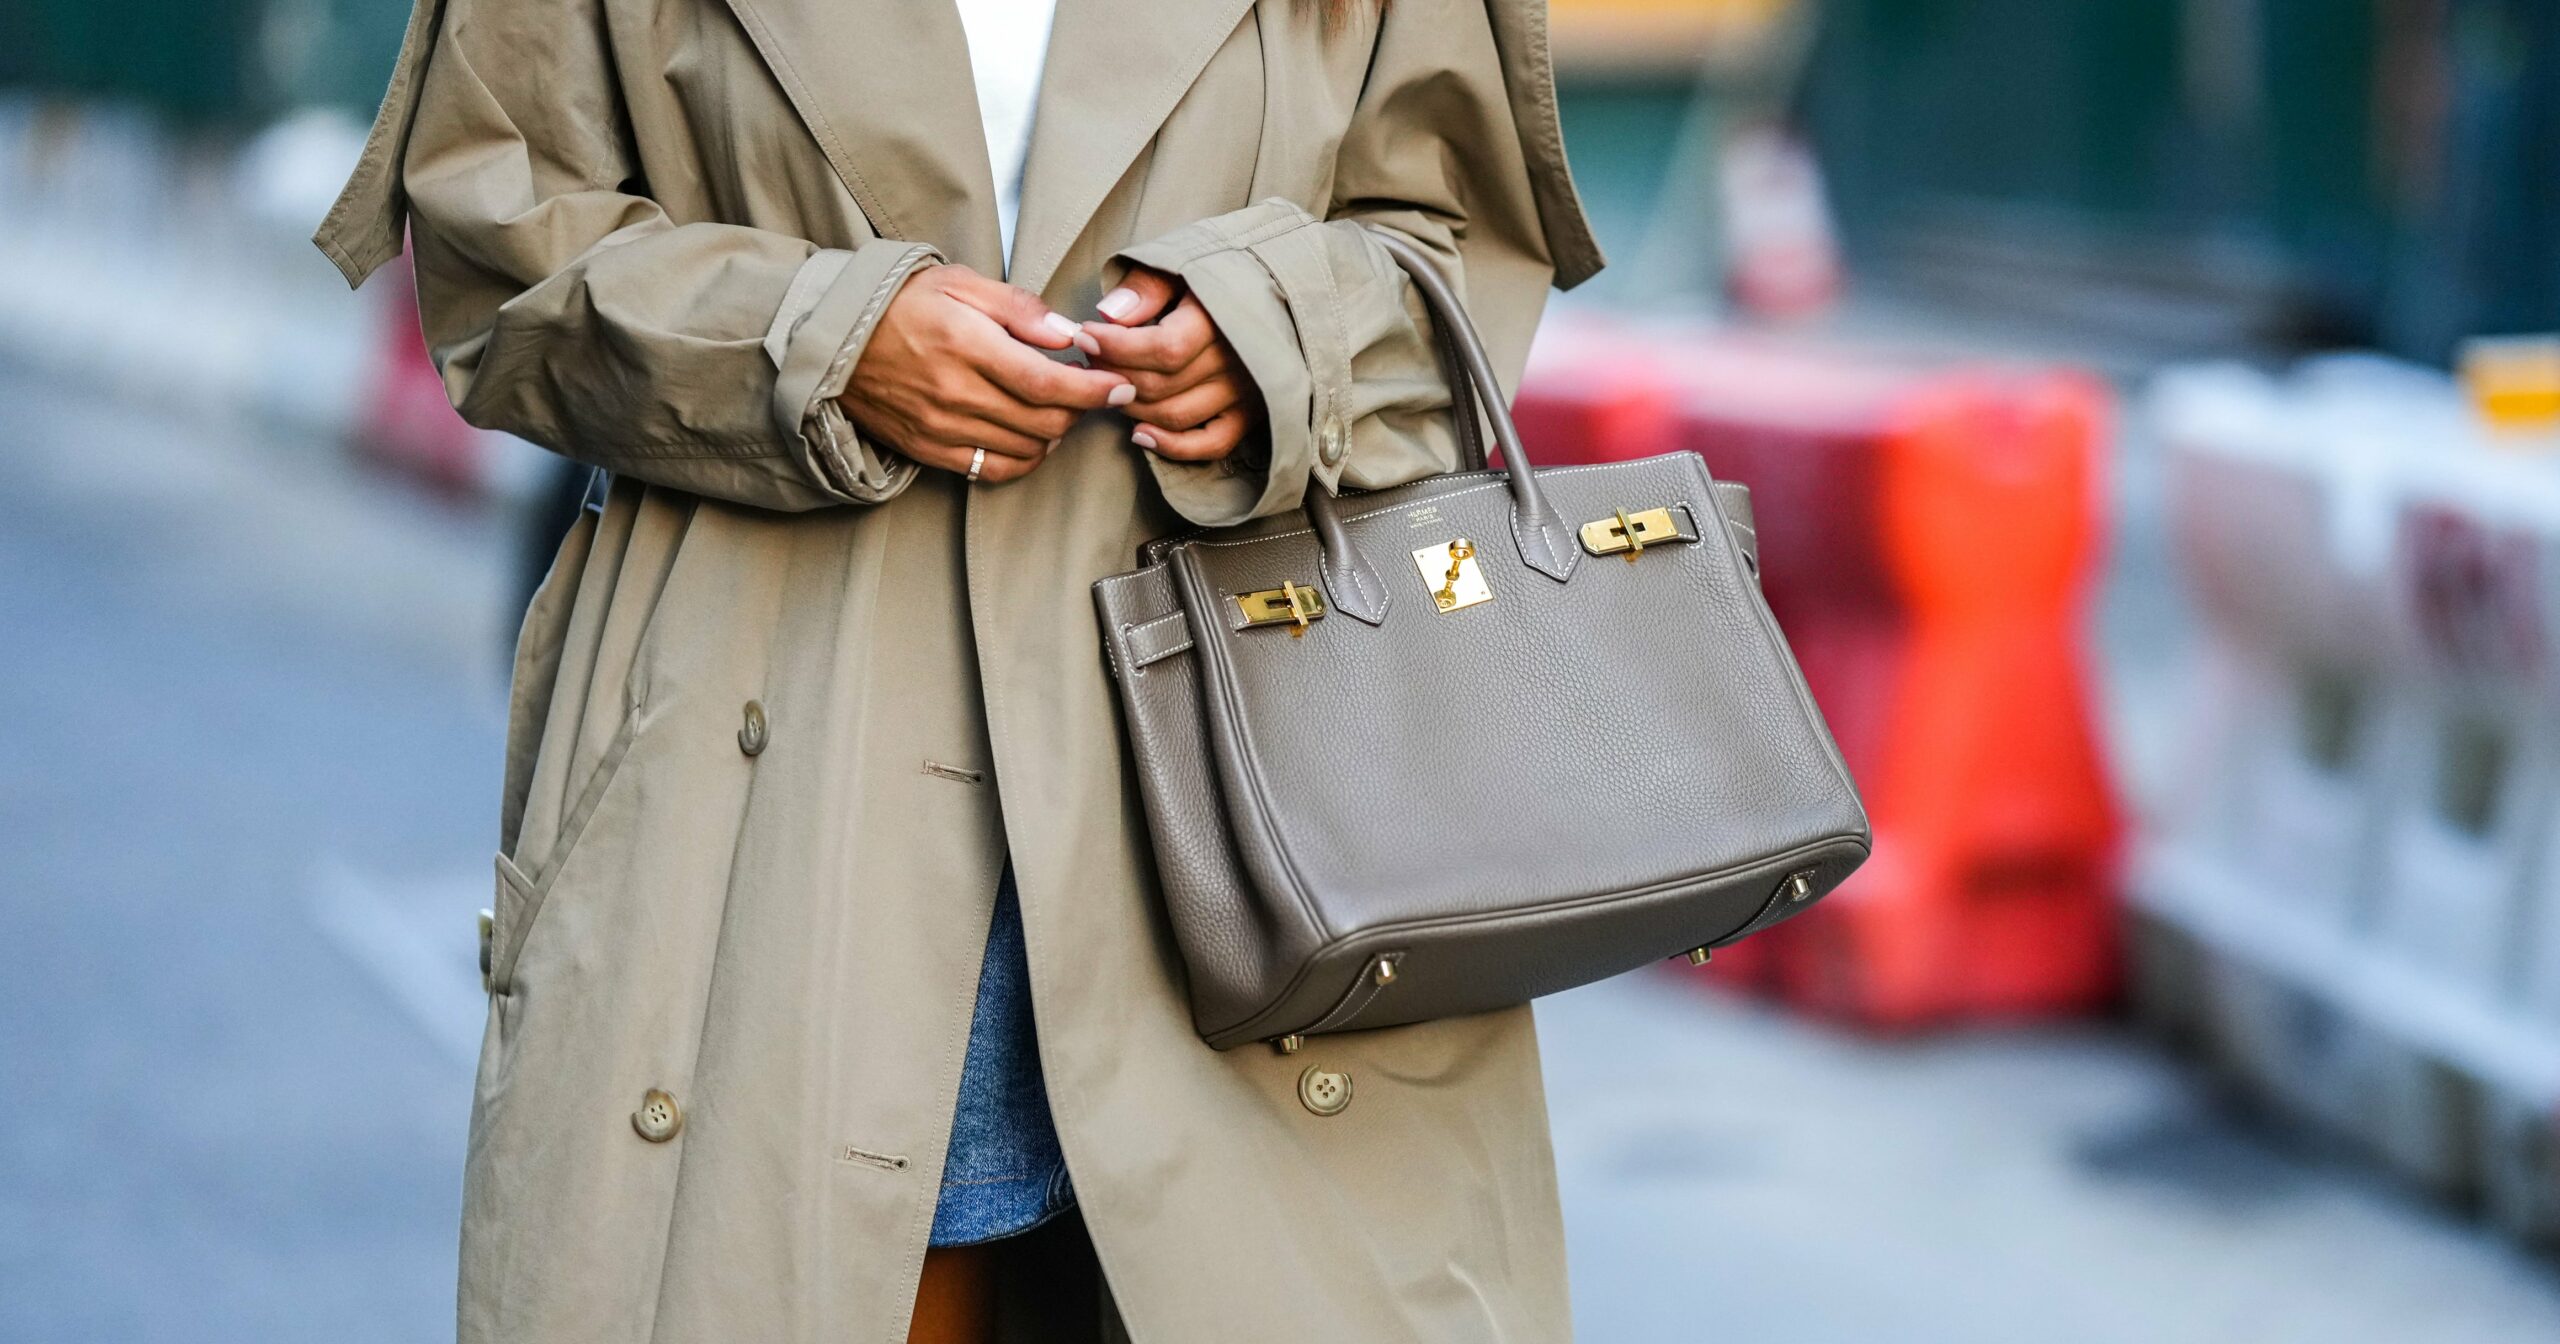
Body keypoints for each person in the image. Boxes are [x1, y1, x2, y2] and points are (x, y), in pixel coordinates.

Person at [314, 0, 1600, 1339]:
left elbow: (1450, 237)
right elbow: (497, 233)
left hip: (1243, 771)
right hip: (787, 753)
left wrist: (1278, 334)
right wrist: (820, 336)